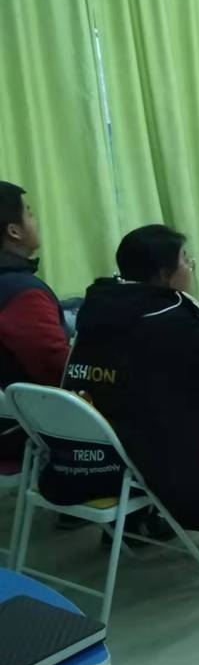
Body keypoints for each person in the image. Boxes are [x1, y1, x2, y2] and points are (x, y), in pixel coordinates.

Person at [38, 225, 199, 553]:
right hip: (152, 454)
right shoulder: (168, 315)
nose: (190, 266)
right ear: (162, 273)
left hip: (92, 448)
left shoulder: (98, 305)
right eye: (185, 259)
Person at [0, 181, 70, 465]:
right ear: (14, 231)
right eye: (29, 213)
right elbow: (57, 369)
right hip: (26, 430)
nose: (34, 220)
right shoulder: (22, 292)